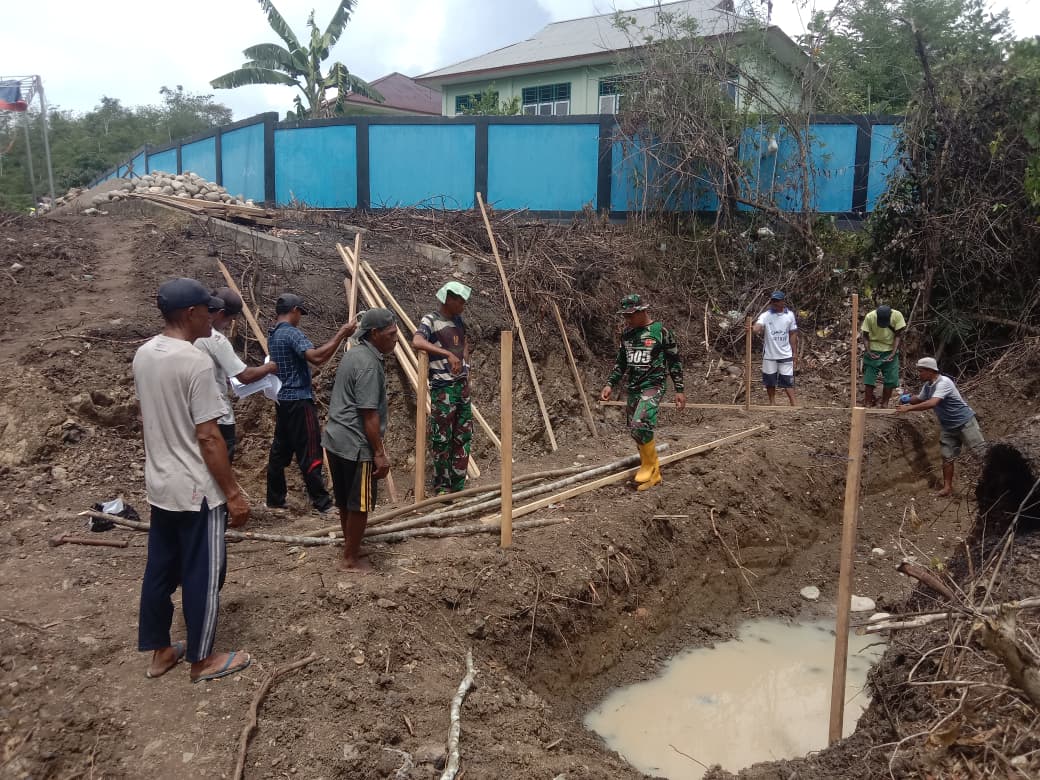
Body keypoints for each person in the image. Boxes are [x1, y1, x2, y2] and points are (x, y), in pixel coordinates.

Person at [133, 278, 253, 684]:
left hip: (160, 483)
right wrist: (232, 493)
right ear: (191, 314)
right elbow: (208, 436)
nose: (212, 318)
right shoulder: (195, 361)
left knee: (160, 570)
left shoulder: (145, 354)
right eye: (207, 310)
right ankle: (203, 660)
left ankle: (160, 652)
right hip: (197, 489)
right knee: (204, 571)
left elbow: (151, 417)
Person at [265, 293, 356, 514]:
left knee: (280, 451)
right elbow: (316, 357)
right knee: (311, 451)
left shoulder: (274, 334)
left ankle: (275, 499)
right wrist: (341, 334)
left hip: (283, 400)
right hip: (299, 400)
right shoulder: (291, 333)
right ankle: (322, 503)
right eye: (300, 313)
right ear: (294, 310)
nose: (300, 318)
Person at [322, 308, 397, 571]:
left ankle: (350, 546)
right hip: (355, 444)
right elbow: (368, 413)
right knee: (360, 504)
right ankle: (350, 559)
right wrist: (379, 453)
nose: (395, 339)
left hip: (336, 439)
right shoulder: (368, 365)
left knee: (346, 501)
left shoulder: (354, 353)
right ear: (374, 333)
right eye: (391, 334)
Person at [599, 294, 686, 491]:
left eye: (630, 315)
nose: (627, 319)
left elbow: (674, 360)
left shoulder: (660, 331)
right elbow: (621, 363)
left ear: (642, 311)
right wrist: (610, 384)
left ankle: (648, 466)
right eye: (625, 316)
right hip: (634, 387)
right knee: (635, 430)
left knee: (641, 424)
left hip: (653, 384)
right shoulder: (627, 335)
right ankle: (654, 473)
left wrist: (679, 389)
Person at [193, 287, 279, 462]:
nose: (228, 324)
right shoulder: (215, 338)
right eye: (230, 319)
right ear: (221, 313)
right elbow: (245, 376)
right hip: (217, 418)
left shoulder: (189, 331)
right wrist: (270, 367)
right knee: (219, 469)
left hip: (192, 415)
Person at [412, 282, 473, 495]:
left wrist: (466, 366)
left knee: (463, 436)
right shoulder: (431, 320)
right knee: (442, 439)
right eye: (460, 301)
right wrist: (447, 354)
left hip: (461, 387)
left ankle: (458, 487)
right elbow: (417, 341)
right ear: (448, 299)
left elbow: (464, 344)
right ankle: (443, 487)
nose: (463, 305)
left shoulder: (458, 321)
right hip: (443, 388)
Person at [897, 357, 985, 497]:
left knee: (981, 455)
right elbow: (919, 399)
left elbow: (932, 403)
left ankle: (994, 486)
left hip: (965, 422)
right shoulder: (928, 386)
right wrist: (906, 399)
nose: (919, 374)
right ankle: (947, 488)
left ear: (930, 371)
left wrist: (908, 409)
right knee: (947, 457)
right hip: (948, 426)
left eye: (921, 371)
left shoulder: (944, 383)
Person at [753, 290, 799, 406]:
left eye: (777, 301)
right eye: (773, 301)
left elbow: (793, 334)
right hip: (770, 354)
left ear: (783, 302)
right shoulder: (766, 315)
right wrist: (754, 328)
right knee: (770, 380)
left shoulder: (790, 315)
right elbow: (758, 326)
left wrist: (794, 352)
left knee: (787, 380)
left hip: (785, 353)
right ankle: (772, 403)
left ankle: (794, 404)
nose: (775, 303)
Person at [861, 304, 906, 408]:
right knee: (869, 377)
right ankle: (867, 403)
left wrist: (893, 353)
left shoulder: (897, 316)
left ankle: (885, 404)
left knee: (891, 378)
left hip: (890, 350)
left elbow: (898, 335)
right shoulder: (870, 317)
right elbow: (865, 336)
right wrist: (869, 351)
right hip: (874, 349)